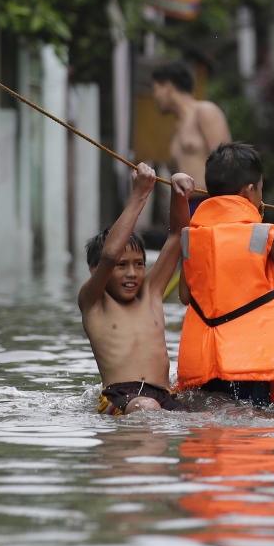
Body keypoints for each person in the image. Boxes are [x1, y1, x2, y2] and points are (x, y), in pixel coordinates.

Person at [175, 142, 274, 407]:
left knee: (212, 424)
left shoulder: (189, 237)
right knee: (252, 428)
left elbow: (185, 296)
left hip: (206, 361)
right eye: (261, 189)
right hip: (251, 360)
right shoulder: (265, 234)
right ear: (250, 190)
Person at [79, 163, 194, 415]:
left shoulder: (151, 293)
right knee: (147, 407)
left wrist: (179, 193)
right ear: (94, 269)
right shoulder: (93, 302)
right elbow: (109, 255)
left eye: (139, 264)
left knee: (211, 419)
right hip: (120, 396)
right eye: (122, 266)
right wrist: (140, 194)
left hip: (164, 396)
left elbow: (178, 235)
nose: (132, 273)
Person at [151, 60, 232, 212]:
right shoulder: (177, 128)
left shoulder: (205, 111)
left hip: (210, 204)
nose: (154, 97)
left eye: (155, 89)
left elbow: (226, 164)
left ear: (168, 87)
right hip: (186, 206)